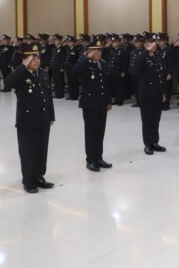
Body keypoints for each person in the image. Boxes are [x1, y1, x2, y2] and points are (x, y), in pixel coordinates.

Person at [4, 44, 55, 194]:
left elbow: (48, 97)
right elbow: (7, 83)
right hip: (27, 121)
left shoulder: (43, 74)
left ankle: (39, 177)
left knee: (41, 150)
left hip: (43, 119)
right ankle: (28, 180)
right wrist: (23, 66)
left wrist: (51, 115)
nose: (37, 61)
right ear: (25, 60)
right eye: (33, 58)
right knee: (28, 152)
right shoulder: (20, 74)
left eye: (38, 57)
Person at [73, 40, 114, 172]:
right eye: (95, 50)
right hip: (90, 104)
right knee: (91, 132)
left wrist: (108, 101)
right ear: (89, 51)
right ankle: (90, 159)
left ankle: (99, 157)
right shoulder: (85, 64)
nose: (98, 53)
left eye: (99, 50)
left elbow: (107, 85)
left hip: (102, 103)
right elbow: (74, 71)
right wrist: (87, 57)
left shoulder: (103, 64)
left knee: (100, 131)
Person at [132, 34, 167, 155]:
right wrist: (146, 52)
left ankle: (155, 142)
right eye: (150, 42)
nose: (154, 44)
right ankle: (148, 144)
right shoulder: (141, 56)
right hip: (146, 94)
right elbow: (134, 70)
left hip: (157, 93)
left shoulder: (157, 57)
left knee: (156, 119)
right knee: (147, 120)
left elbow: (161, 77)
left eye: (154, 42)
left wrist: (163, 93)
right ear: (145, 44)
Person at [107, 34, 129, 106]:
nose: (113, 43)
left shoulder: (123, 51)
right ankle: (116, 99)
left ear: (119, 42)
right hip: (111, 71)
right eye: (112, 42)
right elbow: (109, 61)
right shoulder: (111, 51)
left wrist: (123, 71)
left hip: (118, 71)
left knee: (119, 86)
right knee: (113, 86)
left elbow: (125, 62)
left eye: (115, 42)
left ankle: (120, 100)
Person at [50, 34, 68, 99]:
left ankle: (60, 94)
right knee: (56, 81)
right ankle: (57, 93)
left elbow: (63, 58)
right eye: (54, 40)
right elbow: (52, 58)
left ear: (60, 41)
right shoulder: (55, 49)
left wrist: (62, 67)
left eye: (56, 40)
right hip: (54, 67)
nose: (55, 42)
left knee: (60, 81)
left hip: (59, 67)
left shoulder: (62, 49)